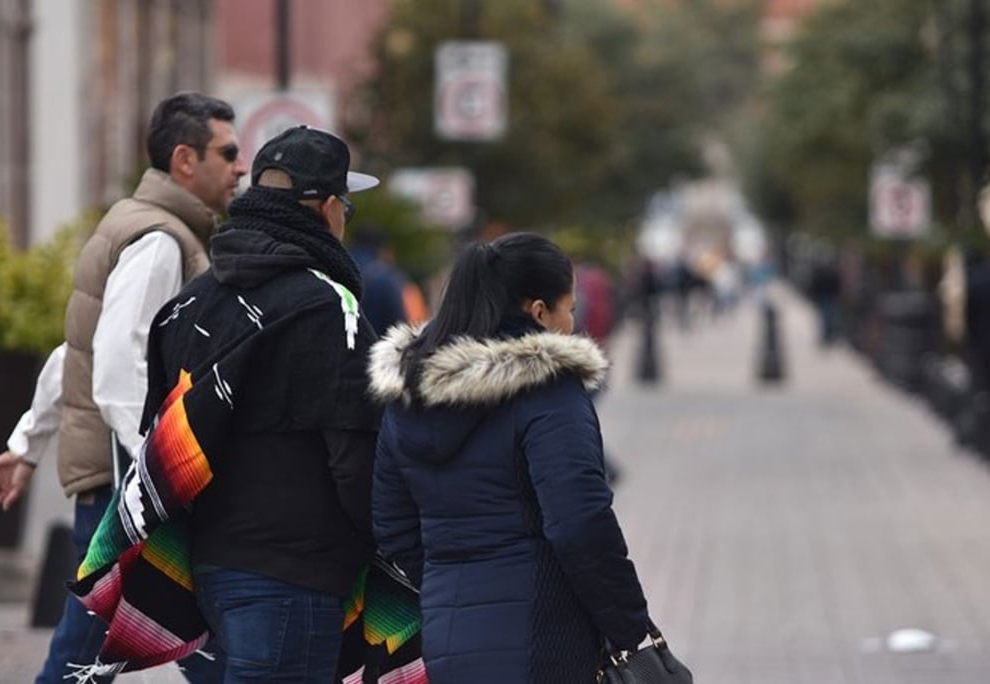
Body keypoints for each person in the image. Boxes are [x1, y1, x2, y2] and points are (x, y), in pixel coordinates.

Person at [73, 125, 380, 682]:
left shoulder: (190, 303)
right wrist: (389, 547)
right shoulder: (328, 308)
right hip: (297, 575)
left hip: (210, 572)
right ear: (329, 208)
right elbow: (354, 459)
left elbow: (161, 438)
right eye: (347, 210)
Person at [0, 91, 246, 683]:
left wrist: (28, 443)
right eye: (227, 152)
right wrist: (155, 465)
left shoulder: (144, 226)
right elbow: (113, 364)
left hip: (120, 485)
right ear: (185, 159)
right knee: (134, 643)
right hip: (128, 487)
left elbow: (79, 348)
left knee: (174, 638)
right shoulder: (159, 242)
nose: (240, 166)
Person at [368, 232, 650, 683]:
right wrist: (634, 630)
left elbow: (392, 519)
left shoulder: (407, 398)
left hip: (446, 635)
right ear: (538, 312)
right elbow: (579, 521)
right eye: (570, 308)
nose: (573, 322)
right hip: (545, 636)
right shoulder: (549, 390)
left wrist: (450, 578)